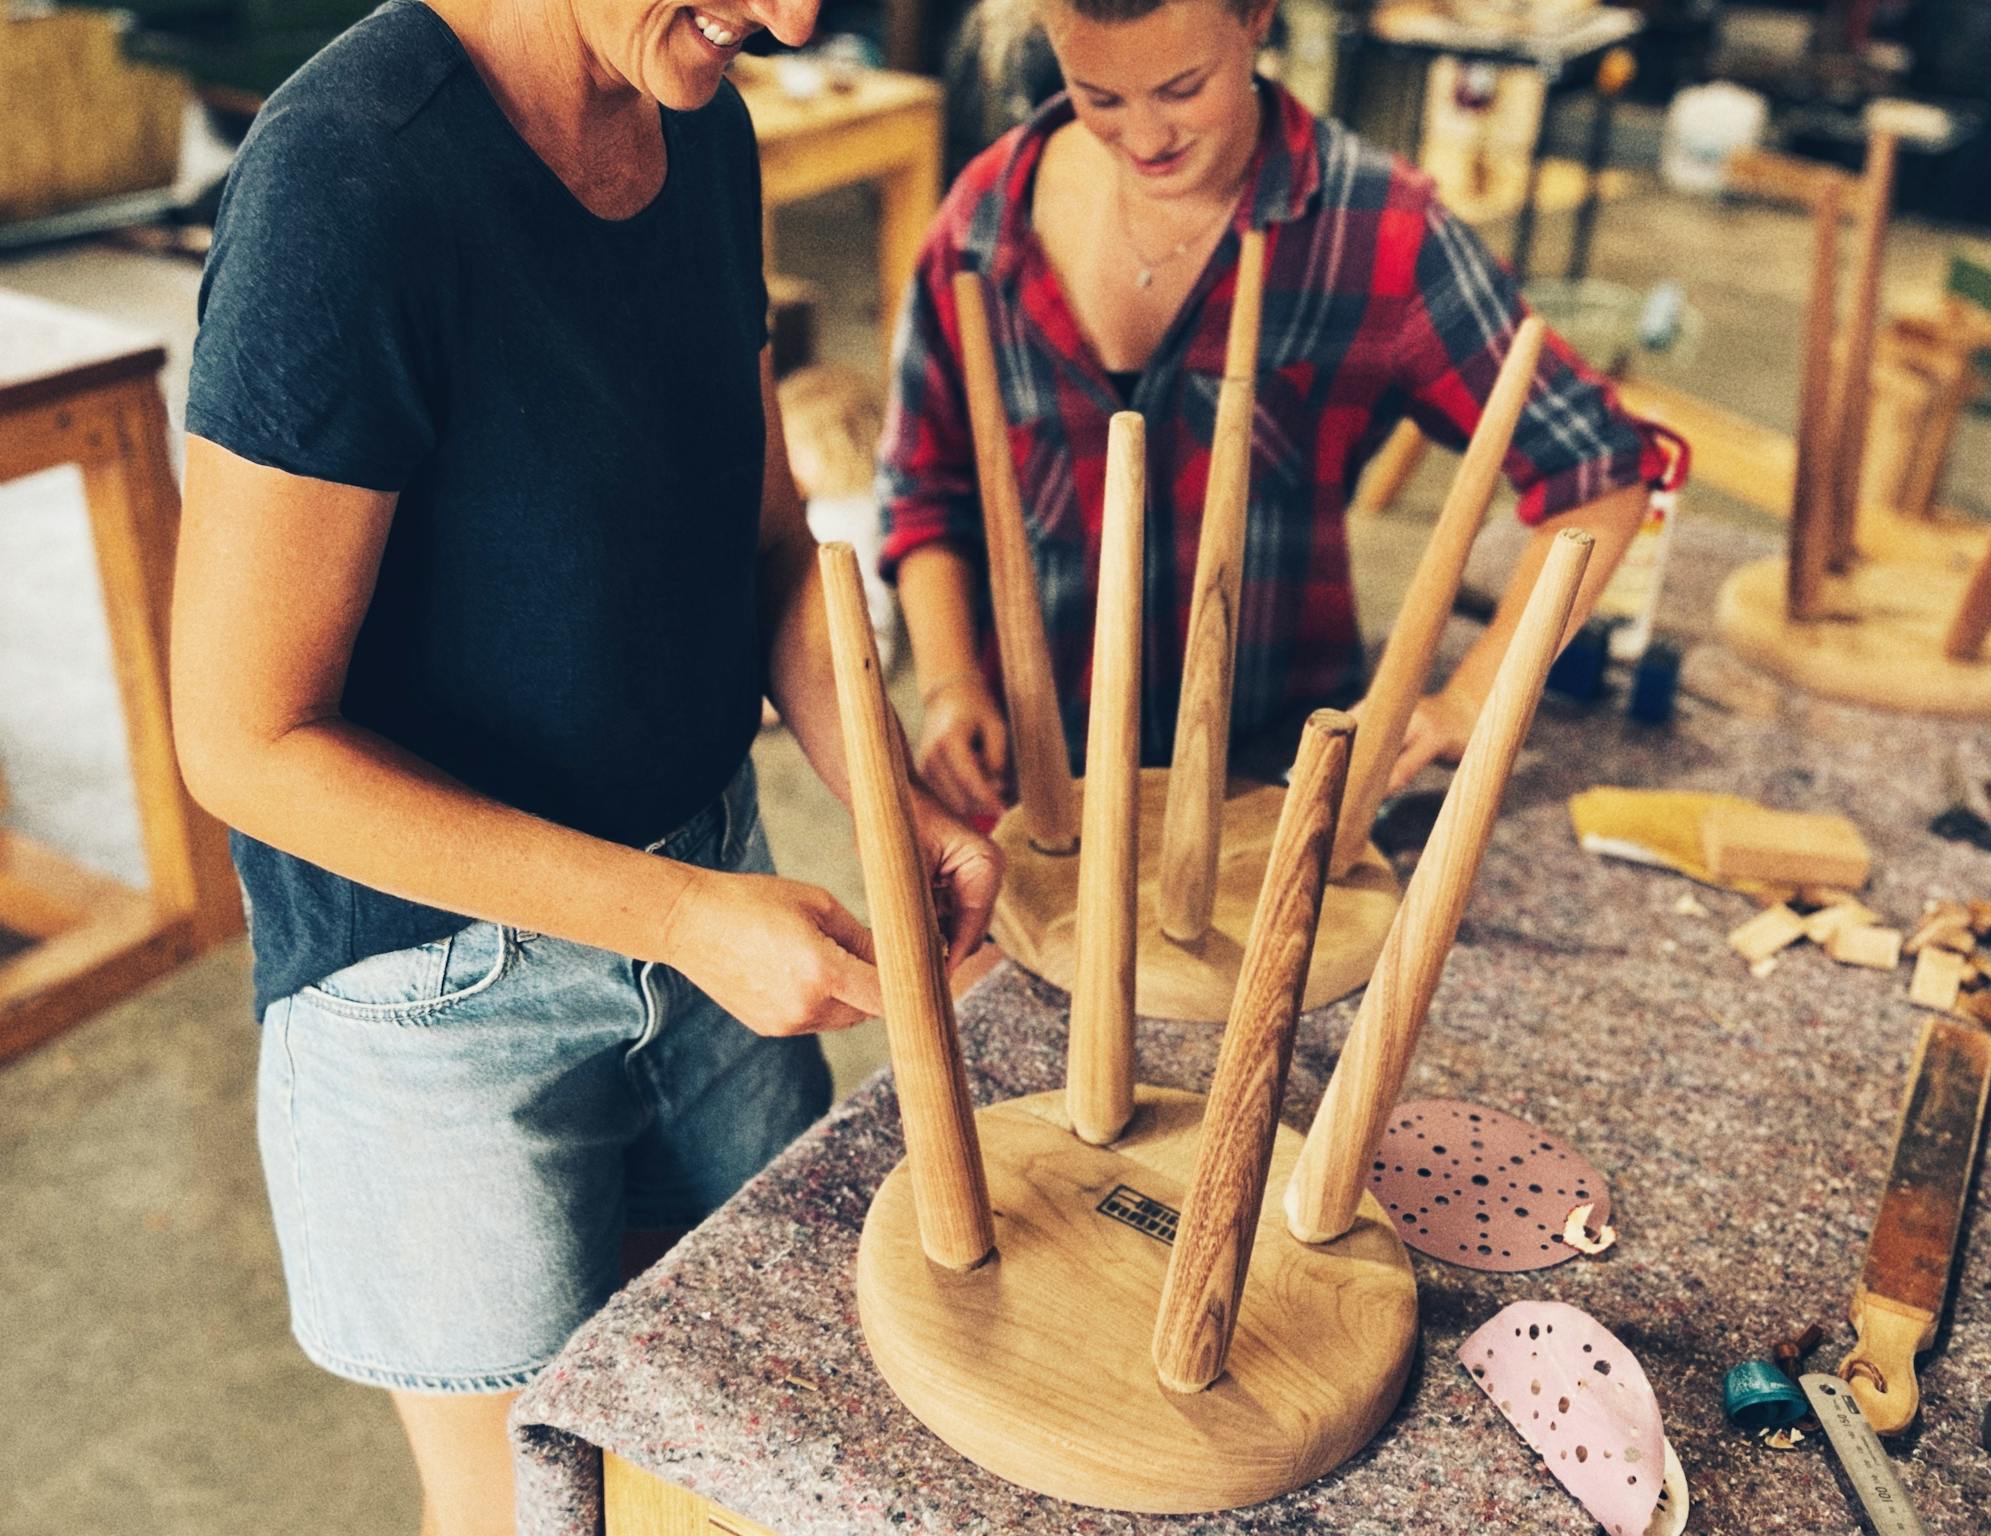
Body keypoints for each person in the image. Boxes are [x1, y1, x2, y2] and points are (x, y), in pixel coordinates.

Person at [168, 0, 999, 1530]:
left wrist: (890, 800)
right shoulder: (346, 179)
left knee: (747, 1454)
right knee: (534, 1514)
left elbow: (770, 545)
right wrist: (677, 918)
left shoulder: (703, 120)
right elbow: (243, 740)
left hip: (715, 885)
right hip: (442, 993)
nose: (791, 18)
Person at [879, 0, 1670, 821]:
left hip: (1266, 795)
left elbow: (1598, 470)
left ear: (1256, 15)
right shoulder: (986, 222)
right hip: (1036, 793)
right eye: (1100, 97)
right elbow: (923, 486)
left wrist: (1473, 698)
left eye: (1183, 89)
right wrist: (949, 682)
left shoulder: (1376, 228)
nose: (1145, 138)